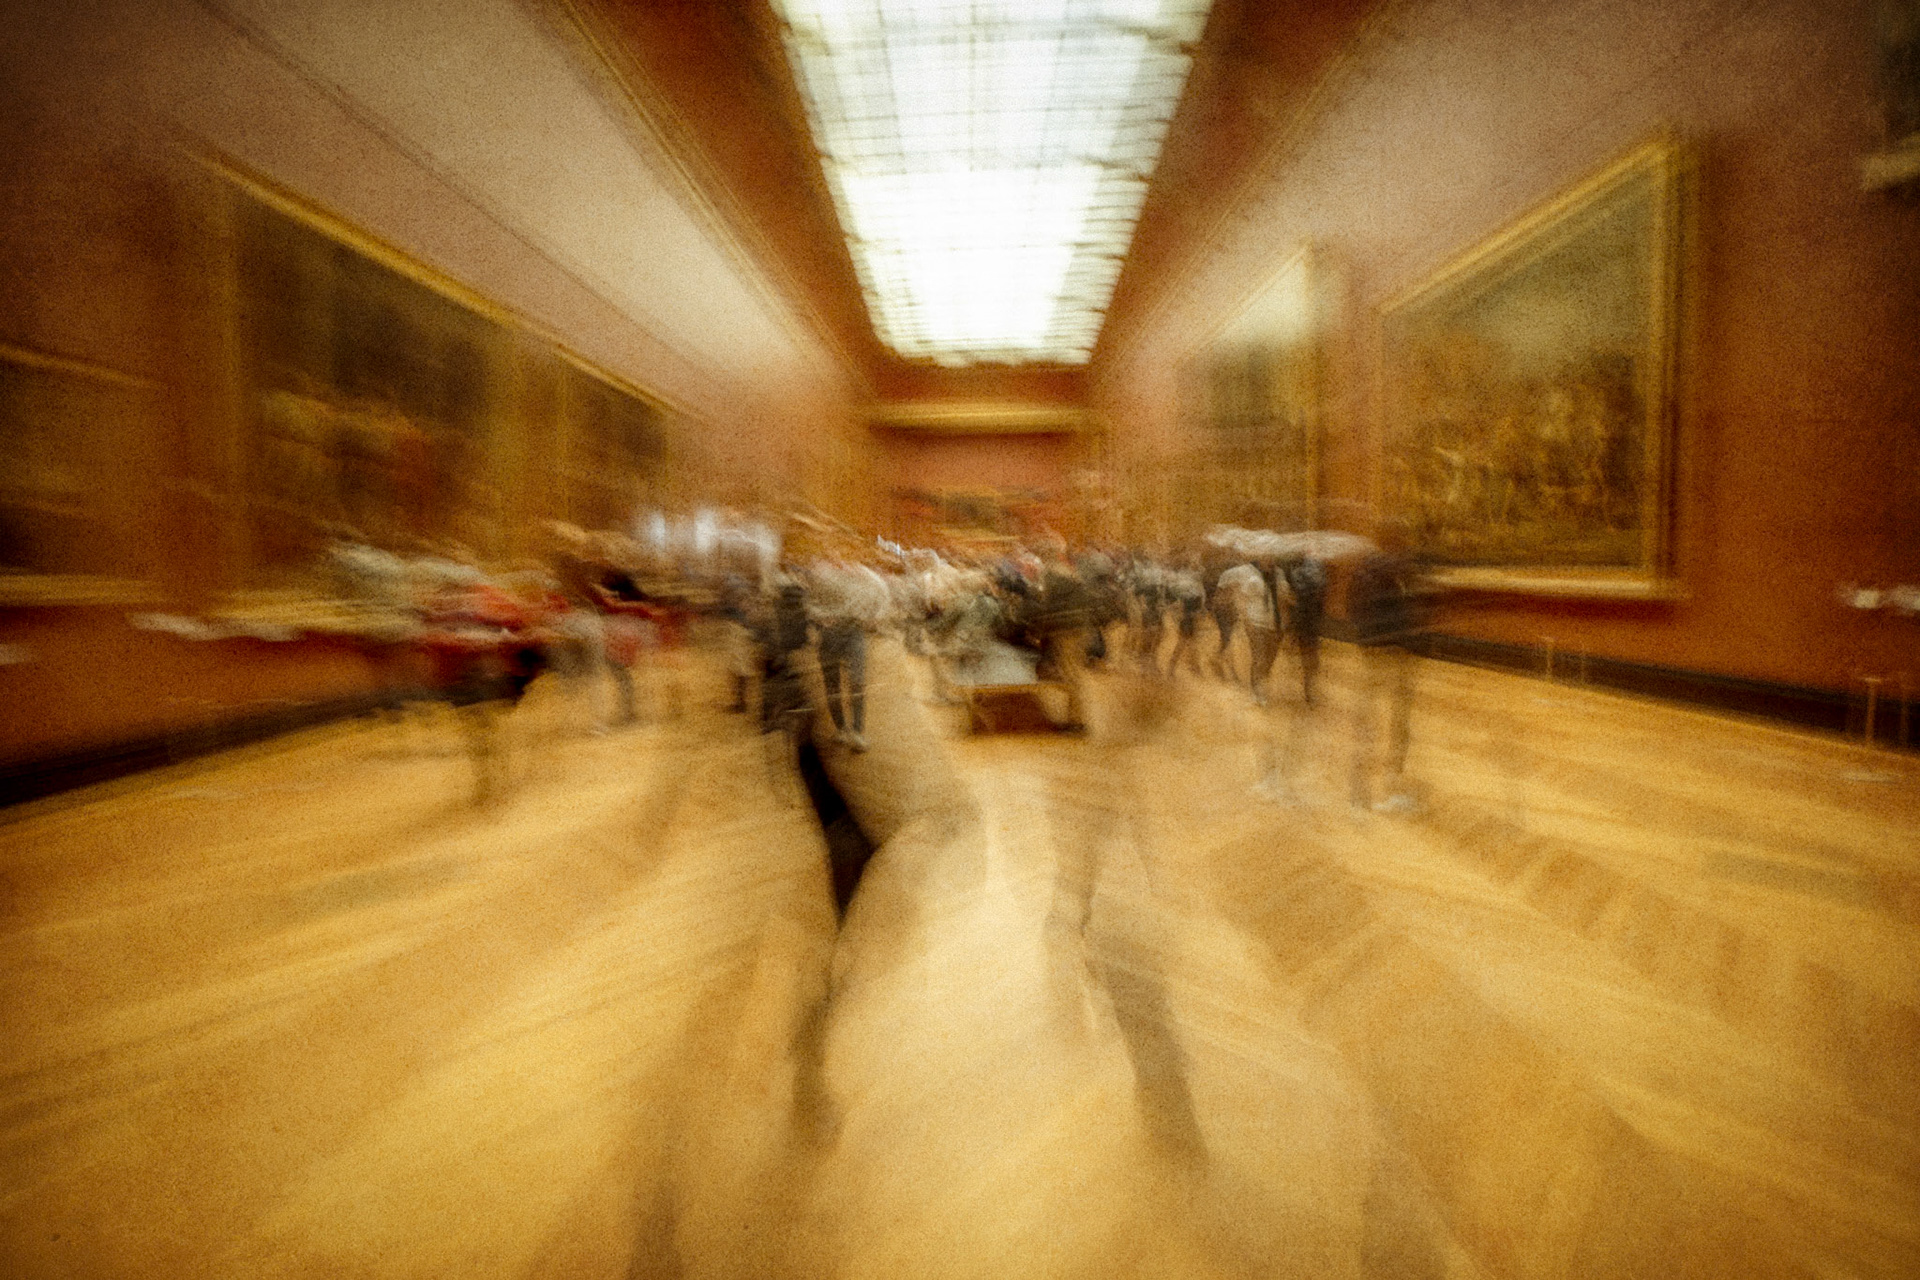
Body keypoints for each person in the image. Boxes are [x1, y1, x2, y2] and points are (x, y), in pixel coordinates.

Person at [1346, 544, 1431, 812]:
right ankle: (1388, 787)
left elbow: (1353, 610)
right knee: (1395, 720)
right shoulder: (1390, 577)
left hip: (1377, 651)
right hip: (1394, 652)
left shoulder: (1365, 574)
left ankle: (1365, 787)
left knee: (1375, 716)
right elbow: (1404, 618)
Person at [1284, 556, 1327, 705]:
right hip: (1305, 623)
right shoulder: (1298, 573)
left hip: (1308, 623)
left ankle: (1309, 691)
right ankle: (1309, 692)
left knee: (1310, 659)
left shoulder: (1297, 572)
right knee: (1309, 659)